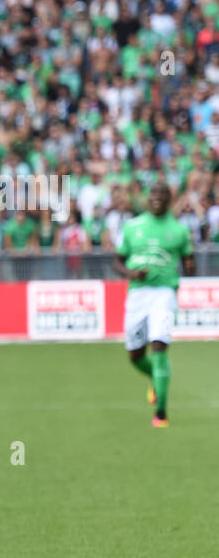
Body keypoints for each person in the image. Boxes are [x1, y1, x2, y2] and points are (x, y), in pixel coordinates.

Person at [113, 182, 196, 427]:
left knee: (159, 345)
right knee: (135, 355)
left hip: (165, 294)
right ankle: (155, 379)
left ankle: (161, 413)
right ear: (148, 199)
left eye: (162, 194)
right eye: (154, 194)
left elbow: (189, 262)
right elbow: (117, 261)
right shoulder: (132, 227)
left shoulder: (179, 230)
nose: (157, 198)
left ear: (169, 199)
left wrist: (189, 268)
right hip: (138, 295)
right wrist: (131, 273)